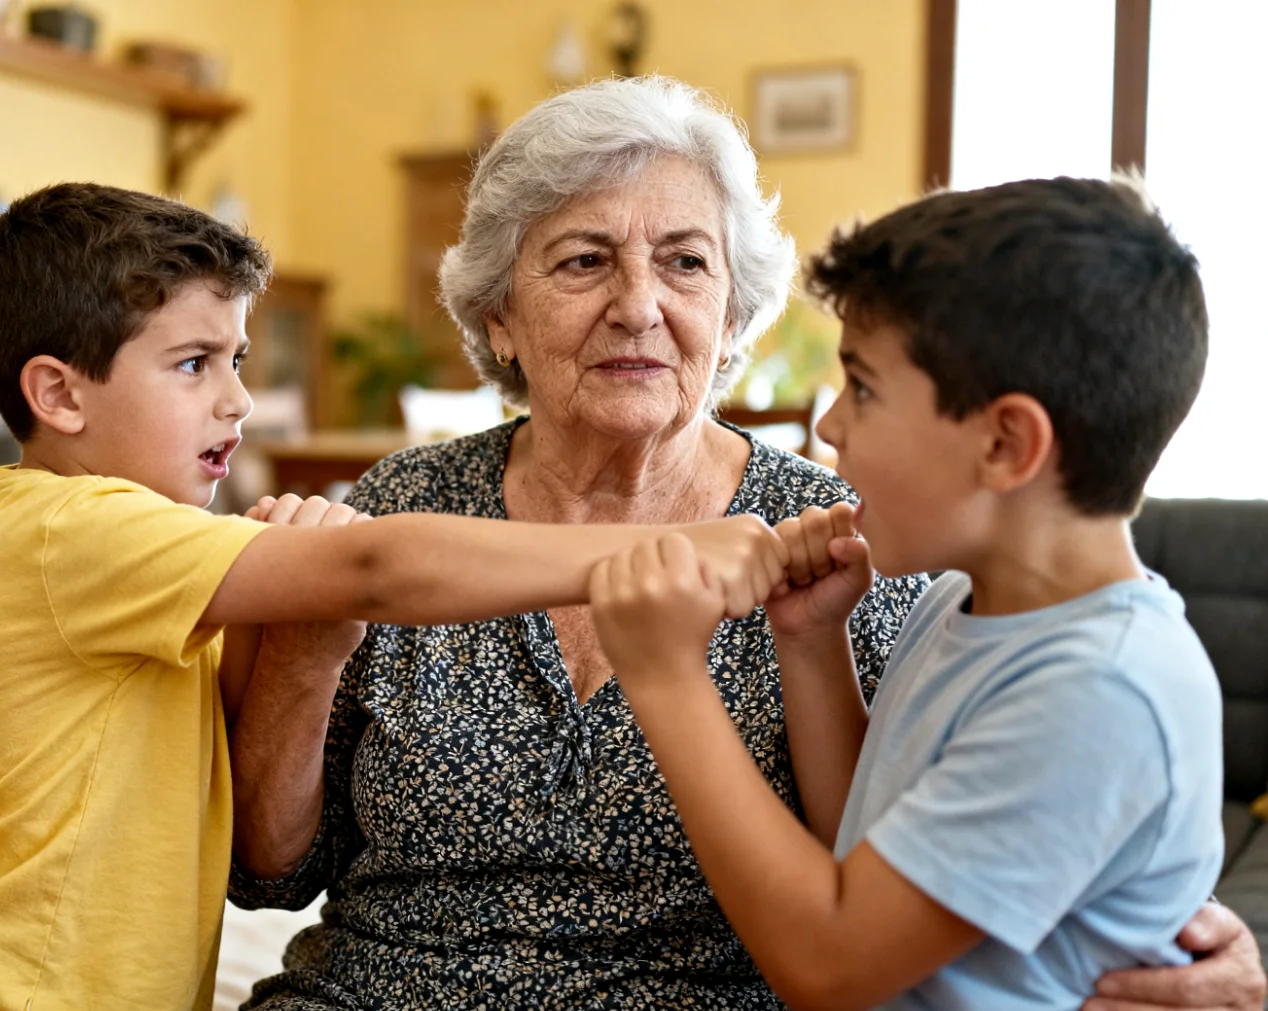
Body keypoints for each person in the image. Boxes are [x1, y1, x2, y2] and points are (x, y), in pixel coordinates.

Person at [227, 76, 1266, 1010]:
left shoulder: (853, 539)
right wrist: (303, 665)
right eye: (584, 262)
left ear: (733, 317)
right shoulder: (400, 512)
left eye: (684, 263)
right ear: (499, 315)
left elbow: (880, 884)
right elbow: (269, 875)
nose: (639, 305)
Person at [0, 182, 785, 1011]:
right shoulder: (69, 531)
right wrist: (663, 553)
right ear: (58, 396)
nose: (238, 400)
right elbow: (376, 571)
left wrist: (294, 590)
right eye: (193, 363)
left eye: (237, 358)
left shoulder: (155, 557)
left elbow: (234, 718)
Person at [591, 176, 1226, 1009]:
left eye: (864, 387)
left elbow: (829, 965)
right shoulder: (968, 599)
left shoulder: (1098, 686)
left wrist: (667, 676)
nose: (831, 426)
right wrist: (814, 645)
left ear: (1004, 444)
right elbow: (866, 847)